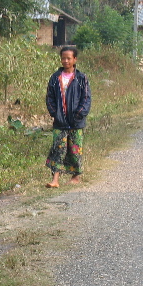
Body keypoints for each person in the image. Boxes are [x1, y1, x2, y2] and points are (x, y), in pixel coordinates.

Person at [45, 46, 91, 188]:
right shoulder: (55, 78)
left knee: (75, 148)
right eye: (63, 58)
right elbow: (50, 98)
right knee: (58, 148)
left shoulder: (81, 78)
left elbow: (86, 98)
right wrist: (55, 113)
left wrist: (79, 114)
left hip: (76, 121)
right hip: (60, 121)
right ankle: (55, 179)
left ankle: (76, 176)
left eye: (68, 58)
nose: (65, 61)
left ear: (74, 59)